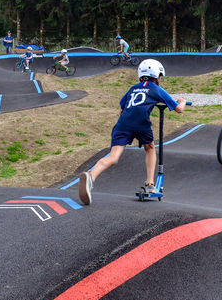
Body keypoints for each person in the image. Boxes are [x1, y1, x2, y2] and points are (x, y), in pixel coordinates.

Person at [78, 58, 186, 206]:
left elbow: (122, 108)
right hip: (141, 123)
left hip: (122, 123)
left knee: (114, 157)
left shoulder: (133, 88)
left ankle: (91, 176)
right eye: (160, 76)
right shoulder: (156, 89)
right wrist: (183, 101)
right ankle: (150, 183)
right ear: (156, 76)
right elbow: (178, 109)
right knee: (150, 148)